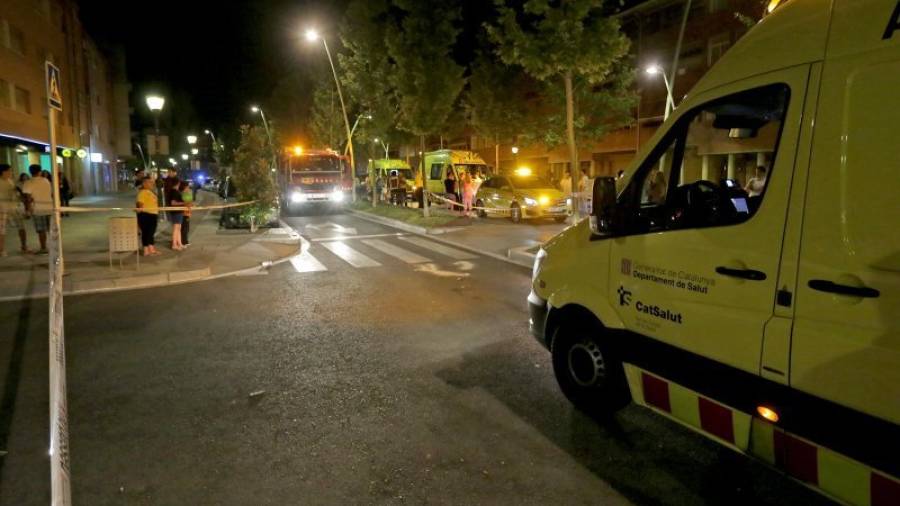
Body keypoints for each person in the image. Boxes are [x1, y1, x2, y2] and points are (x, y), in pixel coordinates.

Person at [21, 164, 53, 254]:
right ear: (40, 171)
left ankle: (43, 248)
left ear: (30, 172)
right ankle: (54, 246)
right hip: (49, 207)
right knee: (51, 229)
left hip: (38, 209)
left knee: (41, 230)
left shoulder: (28, 182)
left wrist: (27, 210)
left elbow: (28, 198)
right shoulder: (46, 180)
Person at [0, 164, 28, 256]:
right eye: (9, 171)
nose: (11, 172)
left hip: (14, 207)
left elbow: (15, 194)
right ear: (3, 172)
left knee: (21, 226)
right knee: (2, 230)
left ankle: (24, 246)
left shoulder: (10, 181)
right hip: (2, 208)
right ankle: (1, 250)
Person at [135, 176, 160, 256]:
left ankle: (151, 248)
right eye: (150, 182)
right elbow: (140, 204)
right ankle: (146, 250)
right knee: (146, 232)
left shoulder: (151, 192)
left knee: (151, 232)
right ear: (144, 183)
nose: (152, 184)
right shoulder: (142, 192)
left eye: (152, 182)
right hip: (146, 214)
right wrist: (139, 211)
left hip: (153, 214)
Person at [165, 176, 185, 250]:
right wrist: (184, 203)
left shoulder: (172, 191)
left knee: (178, 228)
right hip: (176, 212)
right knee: (176, 228)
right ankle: (174, 244)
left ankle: (179, 243)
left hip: (177, 212)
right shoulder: (175, 192)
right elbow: (173, 203)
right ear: (178, 183)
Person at [176, 180, 193, 247]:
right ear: (183, 187)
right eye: (187, 187)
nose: (188, 188)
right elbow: (186, 203)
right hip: (183, 213)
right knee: (184, 228)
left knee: (186, 228)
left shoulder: (188, 194)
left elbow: (190, 202)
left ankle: (184, 241)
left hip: (188, 213)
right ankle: (183, 241)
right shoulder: (182, 194)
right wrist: (189, 204)